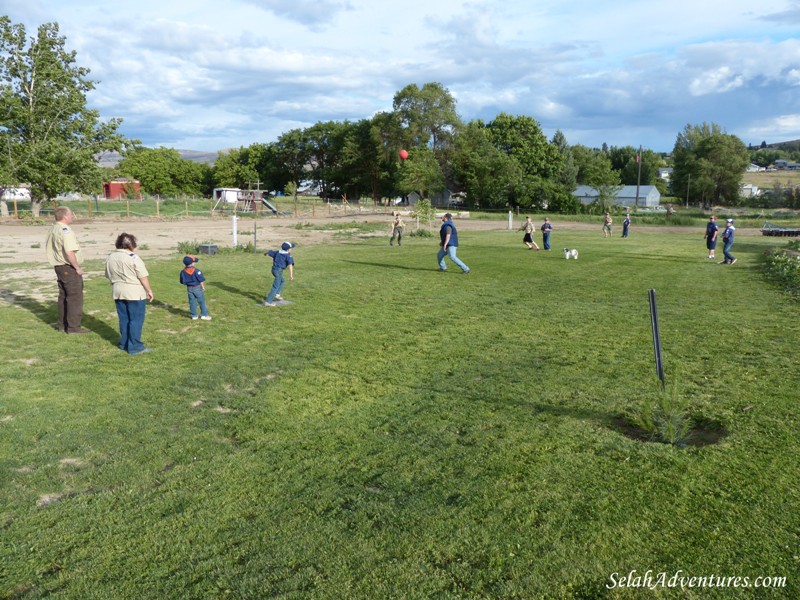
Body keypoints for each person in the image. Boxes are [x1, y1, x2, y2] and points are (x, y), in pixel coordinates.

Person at [104, 233, 154, 354]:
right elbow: (142, 276)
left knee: (124, 319)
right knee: (136, 320)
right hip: (134, 292)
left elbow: (107, 274)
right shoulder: (133, 257)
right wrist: (149, 290)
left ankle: (124, 343)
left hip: (117, 290)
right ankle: (135, 346)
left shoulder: (110, 257)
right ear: (131, 245)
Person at [45, 206, 89, 333]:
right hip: (68, 267)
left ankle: (62, 325)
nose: (72, 217)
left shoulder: (53, 228)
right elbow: (69, 252)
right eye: (71, 215)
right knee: (75, 297)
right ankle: (73, 327)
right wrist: (77, 268)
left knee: (63, 296)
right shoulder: (65, 230)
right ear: (65, 216)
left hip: (58, 266)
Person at [262, 242, 295, 306]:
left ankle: (277, 295)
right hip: (279, 271)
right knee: (275, 286)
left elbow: (269, 252)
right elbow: (290, 265)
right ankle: (268, 302)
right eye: (291, 248)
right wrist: (291, 275)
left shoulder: (278, 252)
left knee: (282, 281)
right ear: (288, 249)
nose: (291, 249)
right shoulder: (288, 256)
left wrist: (265, 253)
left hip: (274, 270)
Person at [180, 255, 211, 320]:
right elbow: (201, 280)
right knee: (201, 301)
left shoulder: (182, 272)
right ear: (192, 263)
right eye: (194, 262)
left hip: (189, 288)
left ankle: (194, 316)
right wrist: (203, 287)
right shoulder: (197, 271)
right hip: (197, 287)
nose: (195, 263)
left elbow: (182, 281)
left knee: (192, 302)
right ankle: (204, 315)